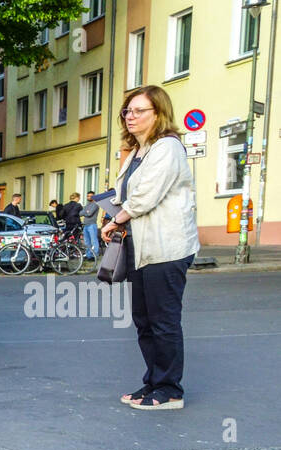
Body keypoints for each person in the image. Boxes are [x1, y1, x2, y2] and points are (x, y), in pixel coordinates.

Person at [101, 84, 199, 410]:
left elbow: (145, 196)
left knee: (163, 320)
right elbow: (124, 194)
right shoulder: (140, 152)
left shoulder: (167, 147)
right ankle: (153, 383)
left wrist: (118, 219)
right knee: (144, 320)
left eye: (139, 110)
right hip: (141, 248)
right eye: (127, 110)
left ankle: (170, 390)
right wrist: (113, 215)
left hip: (166, 247)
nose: (130, 115)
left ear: (158, 113)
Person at [81, 190, 101, 259]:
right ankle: (88, 255)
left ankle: (95, 255)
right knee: (87, 242)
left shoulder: (95, 204)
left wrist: (85, 212)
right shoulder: (87, 205)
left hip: (92, 225)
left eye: (90, 196)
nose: (89, 197)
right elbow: (80, 213)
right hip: (85, 225)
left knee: (94, 241)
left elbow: (90, 213)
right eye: (88, 196)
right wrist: (86, 211)